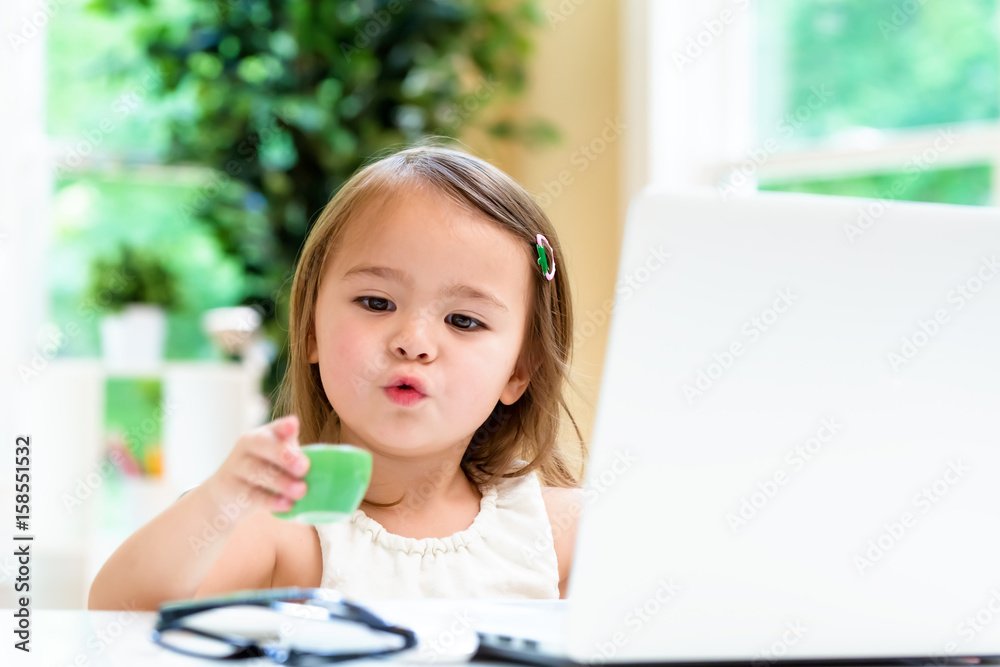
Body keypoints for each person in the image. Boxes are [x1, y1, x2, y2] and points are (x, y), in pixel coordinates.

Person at [88, 142, 587, 611]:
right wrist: (221, 501)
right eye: (376, 302)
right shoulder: (288, 529)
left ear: (518, 372)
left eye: (463, 321)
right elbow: (118, 613)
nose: (413, 340)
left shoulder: (557, 530)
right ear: (310, 332)